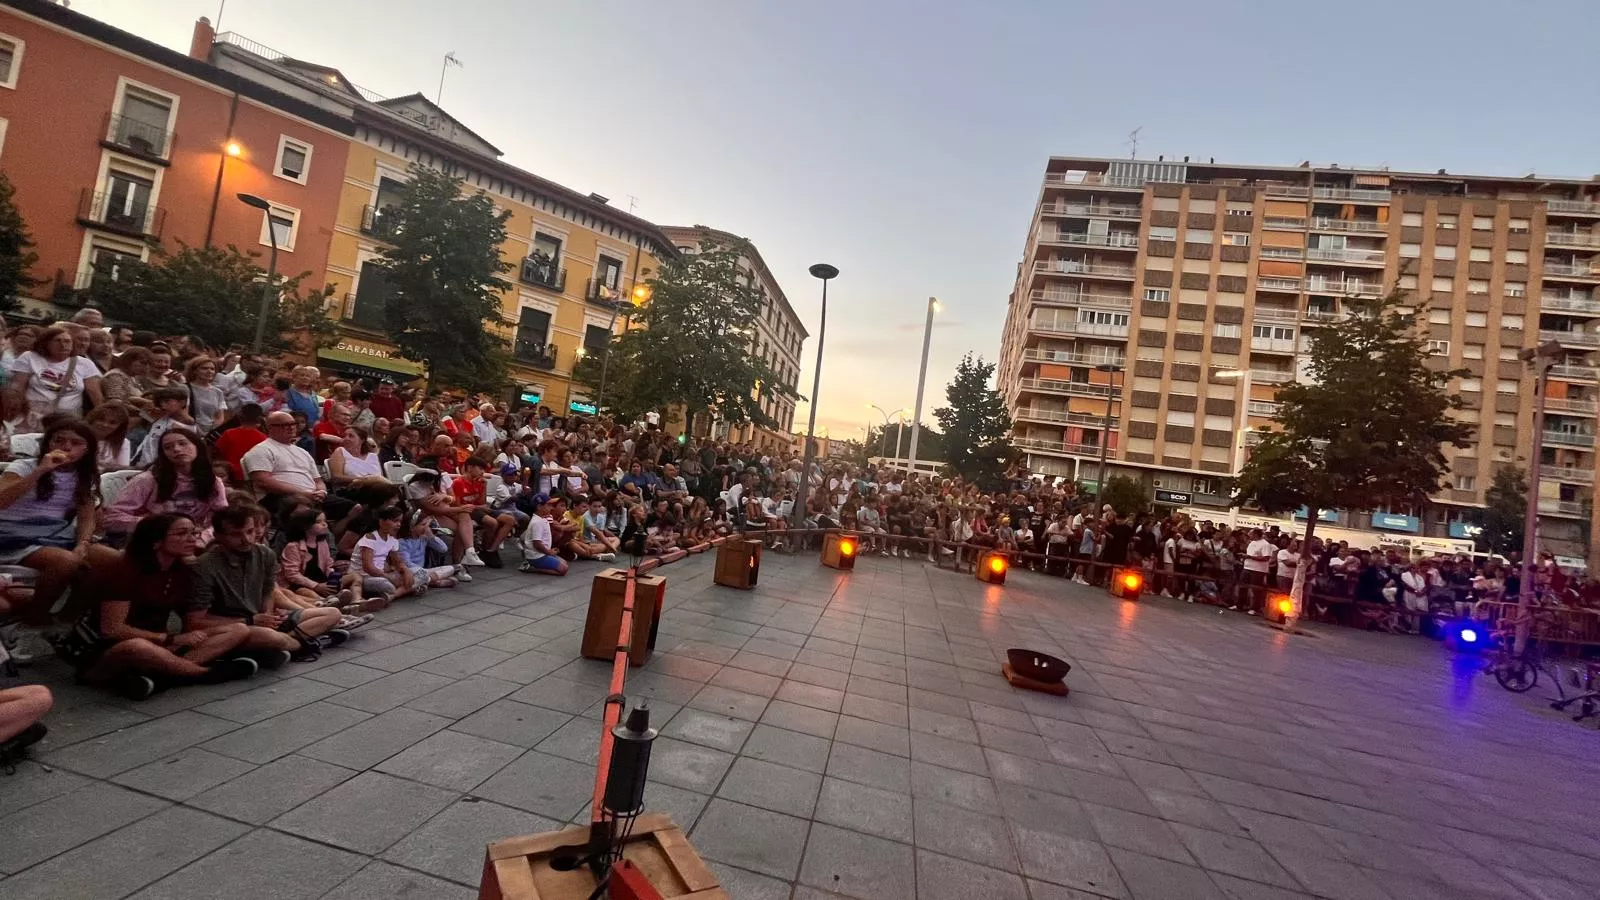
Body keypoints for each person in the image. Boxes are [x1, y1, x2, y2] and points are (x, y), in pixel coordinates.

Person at [62, 514, 256, 700]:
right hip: (107, 650)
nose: (192, 539)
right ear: (156, 542)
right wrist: (170, 638)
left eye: (193, 533)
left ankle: (164, 675)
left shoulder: (182, 570)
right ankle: (202, 673)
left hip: (158, 642)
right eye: (181, 534)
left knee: (237, 630)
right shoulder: (124, 571)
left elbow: (192, 617)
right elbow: (112, 630)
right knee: (137, 647)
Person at [0, 418, 120, 623]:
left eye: (76, 443)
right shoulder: (24, 467)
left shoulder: (85, 475)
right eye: (59, 441)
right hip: (11, 533)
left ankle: (69, 617)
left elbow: (86, 515)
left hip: (53, 532)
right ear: (48, 444)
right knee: (65, 561)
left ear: (87, 449)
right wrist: (41, 471)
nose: (66, 447)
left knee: (108, 558)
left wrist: (83, 543)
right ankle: (36, 616)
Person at [190, 505, 346, 660]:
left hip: (262, 620)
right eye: (236, 535)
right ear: (218, 536)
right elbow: (194, 622)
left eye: (250, 531)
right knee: (270, 636)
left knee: (333, 613)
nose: (246, 539)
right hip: (234, 626)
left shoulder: (265, 554)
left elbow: (268, 592)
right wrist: (250, 621)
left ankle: (284, 643)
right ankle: (302, 644)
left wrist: (268, 617)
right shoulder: (205, 566)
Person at [103, 428, 228, 543]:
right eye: (168, 447)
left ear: (197, 446)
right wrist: (157, 525)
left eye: (182, 443)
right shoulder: (148, 480)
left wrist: (204, 538)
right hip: (155, 540)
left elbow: (222, 519)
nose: (177, 449)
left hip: (197, 540)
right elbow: (111, 519)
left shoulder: (213, 481)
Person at [7, 325, 103, 431]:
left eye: (67, 341)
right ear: (46, 343)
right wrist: (19, 414)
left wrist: (97, 421)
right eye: (57, 341)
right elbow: (18, 388)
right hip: (32, 415)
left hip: (67, 419)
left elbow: (95, 395)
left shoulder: (84, 364)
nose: (63, 345)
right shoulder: (30, 357)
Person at [242, 411, 328, 512]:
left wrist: (322, 492)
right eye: (284, 425)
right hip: (282, 498)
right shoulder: (261, 450)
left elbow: (318, 480)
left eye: (293, 424)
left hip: (313, 497)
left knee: (348, 506)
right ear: (270, 428)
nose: (291, 427)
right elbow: (263, 481)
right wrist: (303, 494)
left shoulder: (302, 452)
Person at [406, 468, 480, 567]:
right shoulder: (415, 487)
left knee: (464, 517)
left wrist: (444, 496)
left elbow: (452, 499)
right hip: (429, 515)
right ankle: (458, 564)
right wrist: (461, 508)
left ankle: (470, 552)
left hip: (446, 511)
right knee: (462, 527)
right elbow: (437, 510)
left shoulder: (439, 480)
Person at [451, 457, 517, 567]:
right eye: (480, 468)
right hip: (468, 511)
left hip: (479, 509)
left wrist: (484, 486)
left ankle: (491, 550)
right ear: (470, 467)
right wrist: (478, 507)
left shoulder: (480, 482)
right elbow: (458, 506)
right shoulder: (458, 483)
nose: (483, 472)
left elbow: (483, 502)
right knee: (492, 522)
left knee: (509, 520)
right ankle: (485, 549)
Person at [352, 506, 417, 600]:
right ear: (381, 521)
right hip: (365, 577)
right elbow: (368, 568)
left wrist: (406, 571)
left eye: (400, 521)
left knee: (421, 574)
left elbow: (398, 562)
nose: (398, 525)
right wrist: (389, 577)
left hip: (383, 574)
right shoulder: (370, 538)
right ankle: (404, 590)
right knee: (385, 585)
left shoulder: (392, 540)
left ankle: (391, 596)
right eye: (395, 521)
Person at [132, 387, 192, 468]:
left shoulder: (187, 426)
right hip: (139, 463)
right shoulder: (160, 417)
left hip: (156, 468)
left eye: (167, 401)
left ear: (182, 402)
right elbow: (132, 400)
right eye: (161, 403)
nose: (163, 405)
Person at [518, 494, 567, 575]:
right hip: (536, 556)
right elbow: (537, 544)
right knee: (563, 569)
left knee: (564, 563)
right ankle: (532, 567)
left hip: (543, 553)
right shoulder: (537, 522)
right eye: (549, 505)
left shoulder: (543, 517)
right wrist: (549, 552)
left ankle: (536, 564)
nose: (551, 507)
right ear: (539, 507)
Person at [183, 356, 229, 434]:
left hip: (210, 432)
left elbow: (220, 416)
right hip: (190, 430)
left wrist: (212, 430)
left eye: (212, 369)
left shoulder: (218, 392)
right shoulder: (185, 388)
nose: (209, 371)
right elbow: (184, 414)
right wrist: (198, 431)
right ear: (194, 371)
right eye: (204, 368)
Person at [86, 402, 134, 470]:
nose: (105, 425)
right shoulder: (80, 438)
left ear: (120, 426)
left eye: (112, 423)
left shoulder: (124, 442)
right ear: (92, 420)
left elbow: (122, 470)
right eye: (101, 419)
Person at [1239, 528, 1275, 615]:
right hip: (1247, 567)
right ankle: (1240, 605)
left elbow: (1266, 558)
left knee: (1256, 589)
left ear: (1255, 534)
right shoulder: (1252, 543)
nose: (1249, 535)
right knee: (1242, 586)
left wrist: (1250, 557)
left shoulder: (1265, 544)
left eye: (1251, 534)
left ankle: (1255, 608)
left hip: (1258, 570)